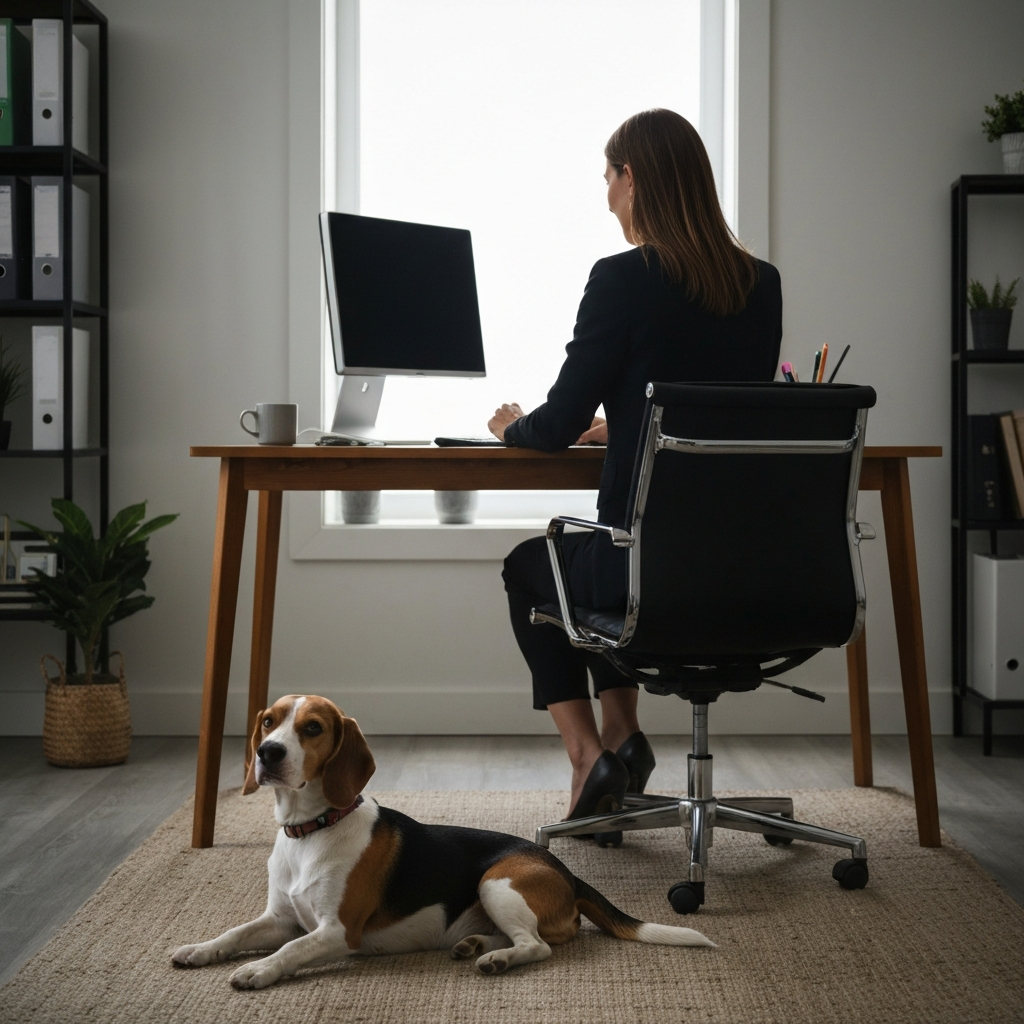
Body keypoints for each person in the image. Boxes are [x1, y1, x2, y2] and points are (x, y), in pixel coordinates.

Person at [488, 108, 783, 832]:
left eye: (609, 176)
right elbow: (720, 406)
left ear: (635, 178)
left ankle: (591, 753)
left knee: (535, 566)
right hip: (747, 571)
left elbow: (555, 425)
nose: (606, 194)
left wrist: (508, 429)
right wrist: (627, 423)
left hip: (643, 570)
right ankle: (623, 740)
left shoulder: (622, 279)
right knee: (594, 563)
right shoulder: (762, 282)